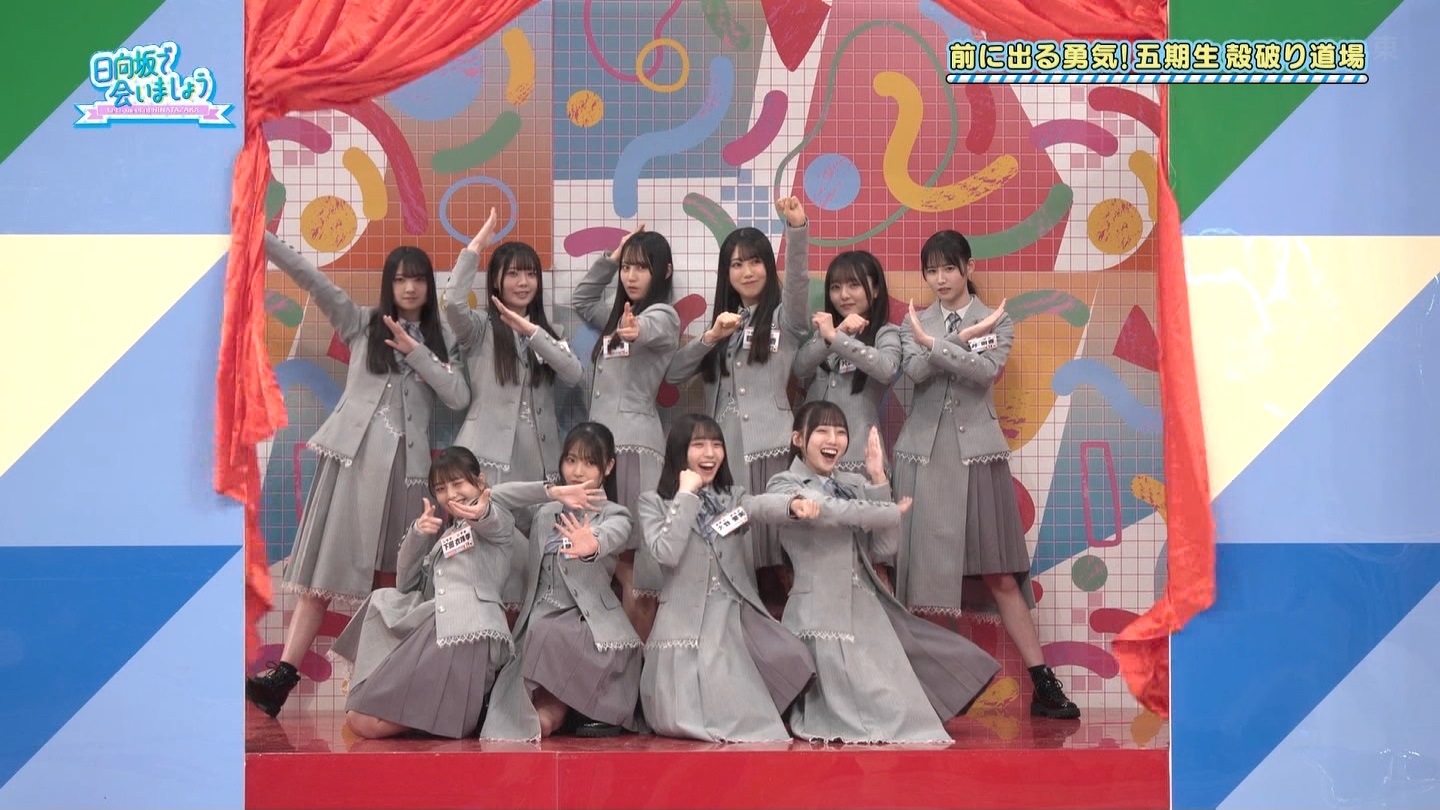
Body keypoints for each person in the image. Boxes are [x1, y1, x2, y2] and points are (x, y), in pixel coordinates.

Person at [247, 233, 470, 718]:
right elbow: (311, 278)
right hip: (352, 464)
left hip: (408, 474)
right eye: (401, 279)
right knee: (323, 575)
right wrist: (260, 236)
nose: (409, 288)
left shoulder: (441, 340)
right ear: (390, 283)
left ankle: (380, 686)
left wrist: (416, 351)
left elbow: (457, 396)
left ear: (428, 286)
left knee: (394, 582)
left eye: (418, 279)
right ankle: (283, 676)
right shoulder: (362, 323)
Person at [895, 229, 1079, 719]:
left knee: (999, 572)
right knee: (915, 575)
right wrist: (954, 343)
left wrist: (937, 345)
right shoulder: (912, 321)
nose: (939, 279)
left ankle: (1043, 684)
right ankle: (915, 689)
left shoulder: (997, 320)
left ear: (968, 268)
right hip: (922, 456)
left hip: (978, 455)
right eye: (931, 270)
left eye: (948, 268)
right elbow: (914, 373)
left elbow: (983, 374)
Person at [748, 402, 1001, 743]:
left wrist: (879, 479)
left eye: (840, 432)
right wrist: (886, 510)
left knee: (910, 706)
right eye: (822, 431)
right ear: (798, 439)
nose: (833, 440)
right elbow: (829, 511)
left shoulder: (854, 483)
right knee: (874, 713)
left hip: (868, 612)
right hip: (819, 613)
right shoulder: (785, 483)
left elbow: (884, 548)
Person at [664, 198, 813, 614]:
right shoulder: (722, 325)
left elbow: (798, 284)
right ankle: (749, 640)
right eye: (736, 264)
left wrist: (797, 229)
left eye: (755, 262)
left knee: (783, 557)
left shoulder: (786, 318)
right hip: (726, 456)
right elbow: (673, 375)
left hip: (773, 450)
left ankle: (798, 642)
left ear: (768, 266)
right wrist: (711, 337)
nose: (747, 272)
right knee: (738, 554)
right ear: (726, 274)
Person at [637, 414, 815, 742]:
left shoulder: (733, 498)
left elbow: (758, 507)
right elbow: (666, 552)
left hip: (733, 608)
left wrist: (792, 505)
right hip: (684, 615)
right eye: (699, 445)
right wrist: (686, 495)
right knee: (704, 688)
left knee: (791, 655)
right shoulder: (654, 503)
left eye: (716, 445)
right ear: (679, 450)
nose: (710, 453)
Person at [330, 447, 514, 739]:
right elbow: (406, 585)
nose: (450, 495)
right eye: (441, 489)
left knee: (364, 721)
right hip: (439, 630)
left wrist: (483, 512)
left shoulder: (494, 518)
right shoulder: (446, 536)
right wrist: (417, 534)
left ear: (480, 481)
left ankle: (462, 713)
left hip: (471, 632)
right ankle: (458, 713)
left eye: (458, 483)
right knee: (360, 717)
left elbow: (496, 522)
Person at [480, 423, 644, 740]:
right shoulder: (543, 513)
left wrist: (592, 544)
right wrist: (550, 492)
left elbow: (613, 535)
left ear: (608, 466)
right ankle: (544, 714)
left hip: (589, 621)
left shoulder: (615, 514)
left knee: (551, 633)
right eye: (571, 460)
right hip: (540, 616)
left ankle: (552, 714)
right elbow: (494, 499)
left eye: (589, 462)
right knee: (541, 631)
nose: (578, 471)